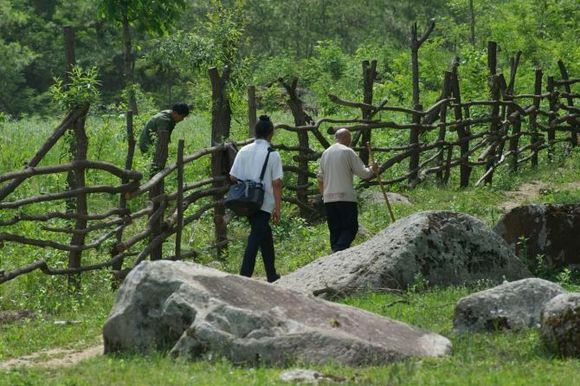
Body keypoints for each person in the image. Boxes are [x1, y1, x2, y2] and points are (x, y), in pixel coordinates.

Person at [229, 115, 283, 283]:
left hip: (246, 201)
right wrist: (277, 208)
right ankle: (244, 276)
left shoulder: (244, 150)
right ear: (271, 134)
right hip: (264, 201)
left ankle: (271, 274)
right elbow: (277, 184)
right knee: (255, 236)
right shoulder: (272, 154)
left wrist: (247, 183)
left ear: (256, 132)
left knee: (263, 234)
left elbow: (232, 176)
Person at [317, 129, 377, 252]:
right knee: (350, 227)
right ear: (346, 138)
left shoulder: (326, 153)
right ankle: (339, 250)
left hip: (329, 198)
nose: (350, 141)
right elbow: (364, 174)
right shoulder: (347, 152)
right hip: (345, 197)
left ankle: (335, 252)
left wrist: (324, 196)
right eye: (349, 138)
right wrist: (372, 168)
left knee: (335, 230)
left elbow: (320, 178)